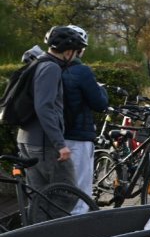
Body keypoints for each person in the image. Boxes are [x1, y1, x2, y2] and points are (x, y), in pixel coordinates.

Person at [16, 26, 85, 196]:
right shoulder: (51, 68)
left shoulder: (37, 63)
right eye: (76, 52)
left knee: (40, 198)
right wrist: (60, 144)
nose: (75, 56)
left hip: (28, 139)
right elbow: (44, 107)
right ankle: (56, 224)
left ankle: (38, 223)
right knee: (67, 196)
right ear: (68, 52)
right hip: (44, 143)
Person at [61, 26, 108, 213]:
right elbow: (99, 103)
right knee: (81, 189)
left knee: (62, 186)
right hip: (79, 136)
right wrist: (100, 88)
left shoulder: (50, 67)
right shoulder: (81, 71)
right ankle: (79, 230)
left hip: (56, 137)